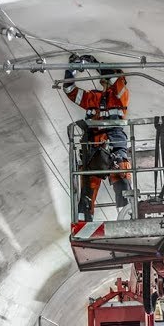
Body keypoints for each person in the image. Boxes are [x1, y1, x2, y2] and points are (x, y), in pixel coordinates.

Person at [62, 54, 132, 221]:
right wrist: (71, 70)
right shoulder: (93, 98)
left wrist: (95, 64)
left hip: (114, 145)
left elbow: (115, 80)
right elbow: (69, 90)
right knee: (88, 187)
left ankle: (128, 217)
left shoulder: (122, 94)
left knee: (122, 182)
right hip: (94, 148)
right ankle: (84, 222)